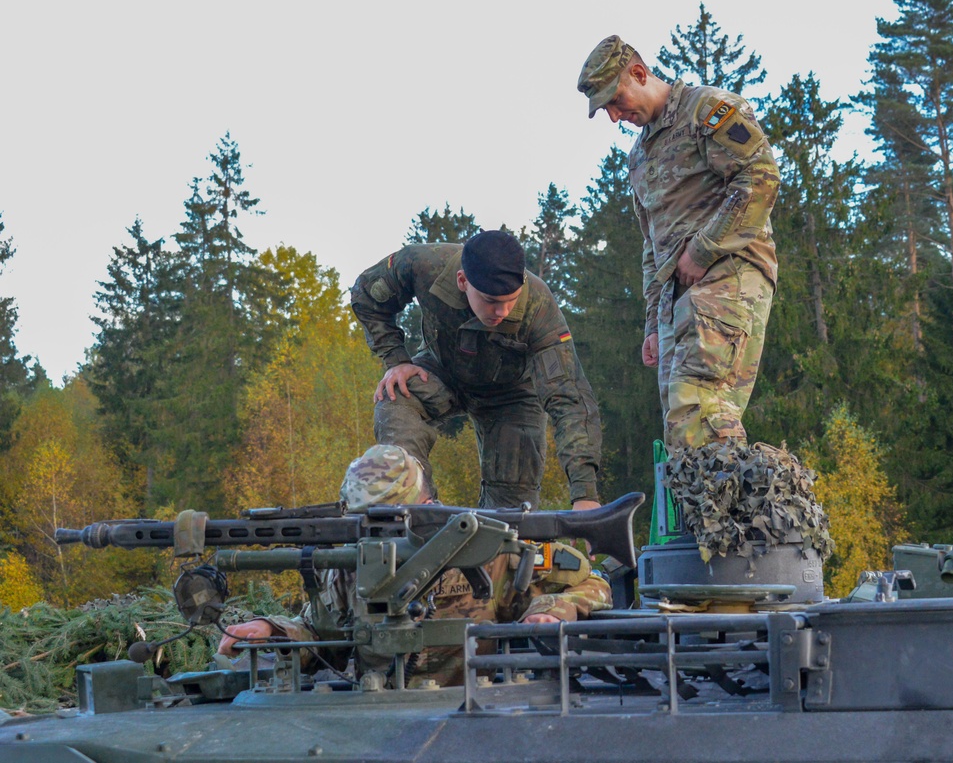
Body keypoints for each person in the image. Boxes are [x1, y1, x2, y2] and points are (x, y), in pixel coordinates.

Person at [219, 444, 612, 688]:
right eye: (361, 524)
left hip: (476, 718)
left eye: (388, 522)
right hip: (380, 724)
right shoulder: (347, 567)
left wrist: (549, 612)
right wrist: (272, 631)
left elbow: (592, 584)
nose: (373, 537)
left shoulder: (485, 552)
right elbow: (322, 638)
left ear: (427, 510)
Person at [577, 36, 780, 453]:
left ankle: (728, 517)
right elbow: (652, 246)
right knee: (681, 432)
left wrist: (703, 250)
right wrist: (653, 322)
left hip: (729, 277)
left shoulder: (707, 111)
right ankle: (702, 517)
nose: (615, 117)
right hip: (675, 302)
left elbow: (760, 176)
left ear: (639, 73)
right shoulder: (639, 157)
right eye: (606, 111)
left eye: (615, 100)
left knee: (700, 413)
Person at [350, 228, 602, 511]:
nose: (502, 311)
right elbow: (366, 296)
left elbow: (569, 399)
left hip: (512, 396)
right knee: (396, 398)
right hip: (440, 372)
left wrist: (585, 494)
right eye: (491, 301)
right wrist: (396, 361)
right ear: (462, 281)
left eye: (511, 300)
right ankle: (416, 508)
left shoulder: (540, 309)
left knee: (513, 512)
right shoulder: (423, 264)